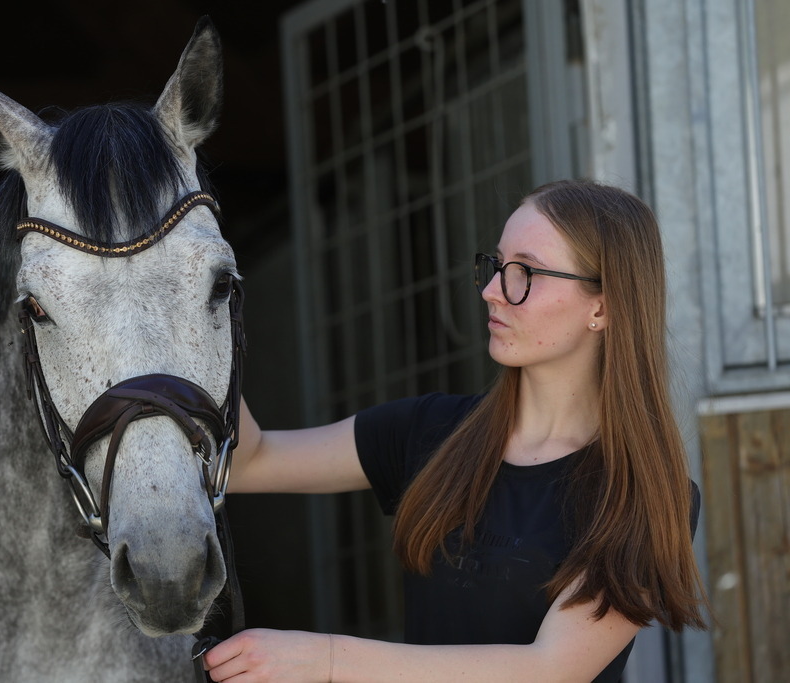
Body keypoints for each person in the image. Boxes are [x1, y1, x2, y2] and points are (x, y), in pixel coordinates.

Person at [202, 179, 709, 682]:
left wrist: (326, 659)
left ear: (603, 306)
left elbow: (549, 670)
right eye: (496, 265)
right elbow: (251, 461)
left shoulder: (643, 496)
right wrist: (204, 310)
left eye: (525, 272)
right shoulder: (431, 431)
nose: (492, 291)